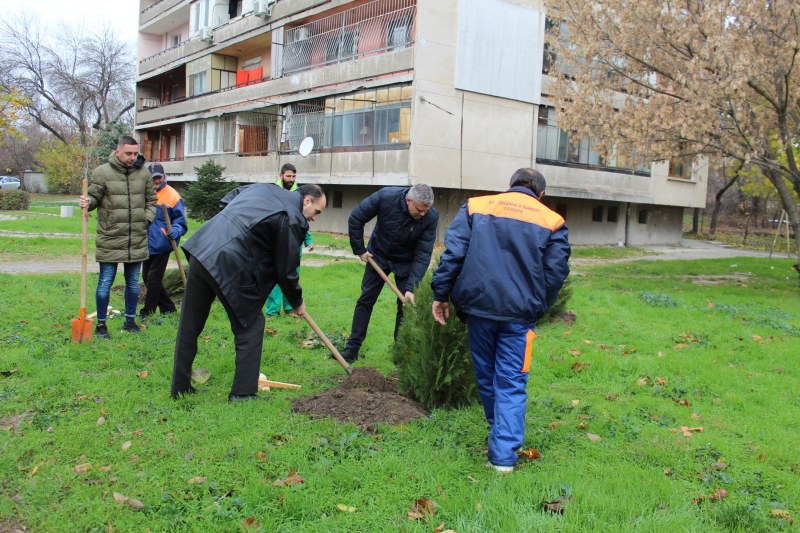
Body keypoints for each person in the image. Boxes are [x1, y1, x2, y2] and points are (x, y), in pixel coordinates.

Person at [430, 168, 570, 474]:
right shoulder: (552, 221)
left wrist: (441, 294)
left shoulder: (477, 207)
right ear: (540, 194)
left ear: (510, 187)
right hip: (519, 317)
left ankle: (501, 436)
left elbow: (453, 254)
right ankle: (504, 455)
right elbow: (556, 273)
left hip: (478, 310)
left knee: (487, 376)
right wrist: (537, 307)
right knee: (511, 380)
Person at [171, 183, 326, 402]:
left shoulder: (266, 188)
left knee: (190, 323)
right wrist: (297, 301)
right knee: (251, 325)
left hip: (202, 249)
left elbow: (227, 199)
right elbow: (286, 270)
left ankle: (180, 387)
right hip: (227, 265)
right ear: (307, 200)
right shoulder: (293, 218)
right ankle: (242, 394)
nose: (315, 217)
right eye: (317, 211)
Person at [341, 184, 439, 363]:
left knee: (405, 306)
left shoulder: (430, 217)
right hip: (378, 255)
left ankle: (399, 355)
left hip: (406, 262)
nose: (423, 214)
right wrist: (359, 249)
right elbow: (356, 218)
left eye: (426, 210)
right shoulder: (386, 197)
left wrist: (411, 287)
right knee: (365, 300)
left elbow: (423, 253)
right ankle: (351, 349)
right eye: (420, 210)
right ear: (409, 200)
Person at [79, 136, 157, 339]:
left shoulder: (144, 173)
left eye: (135, 153)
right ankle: (101, 326)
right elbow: (95, 198)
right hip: (110, 236)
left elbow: (151, 200)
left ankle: (130, 321)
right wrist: (87, 202)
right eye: (128, 153)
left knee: (133, 282)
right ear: (118, 151)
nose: (133, 157)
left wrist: (145, 220)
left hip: (136, 238)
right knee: (105, 282)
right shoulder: (102, 172)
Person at [265, 164, 314, 317]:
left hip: (294, 241)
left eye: (293, 176)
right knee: (276, 276)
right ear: (281, 175)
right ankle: (272, 312)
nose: (291, 179)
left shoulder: (299, 194)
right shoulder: (273, 191)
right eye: (288, 176)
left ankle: (289, 308)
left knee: (292, 274)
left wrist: (308, 240)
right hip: (277, 241)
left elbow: (302, 220)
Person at [140, 163, 187, 319]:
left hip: (162, 244)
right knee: (147, 278)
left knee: (153, 280)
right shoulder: (144, 194)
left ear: (164, 176)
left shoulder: (172, 196)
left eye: (159, 177)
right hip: (145, 243)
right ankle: (168, 308)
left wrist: (177, 230)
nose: (156, 181)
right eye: (153, 178)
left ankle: (148, 312)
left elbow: (181, 222)